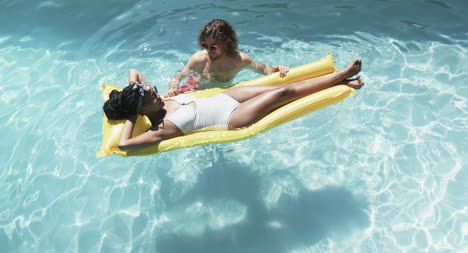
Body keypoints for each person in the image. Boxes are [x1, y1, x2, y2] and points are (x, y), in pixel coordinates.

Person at [103, 59, 363, 151]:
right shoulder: (160, 128)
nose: (158, 95)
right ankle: (338, 79)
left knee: (274, 87)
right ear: (142, 111)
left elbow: (133, 71)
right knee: (282, 93)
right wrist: (131, 115)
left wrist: (138, 94)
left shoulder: (159, 101)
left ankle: (340, 82)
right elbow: (123, 144)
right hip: (233, 117)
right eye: (152, 98)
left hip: (227, 97)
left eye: (154, 91)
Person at [166, 19, 290, 97]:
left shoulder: (240, 60)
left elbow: (266, 70)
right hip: (197, 90)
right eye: (205, 45)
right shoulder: (199, 59)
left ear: (226, 43)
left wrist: (278, 69)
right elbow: (178, 77)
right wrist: (172, 89)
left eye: (213, 46)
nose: (208, 50)